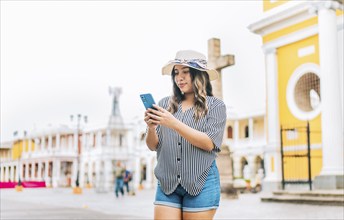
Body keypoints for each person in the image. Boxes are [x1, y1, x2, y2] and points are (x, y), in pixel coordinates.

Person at [144, 50, 227, 220]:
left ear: (199, 75)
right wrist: (151, 128)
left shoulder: (216, 106)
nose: (179, 78)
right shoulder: (163, 104)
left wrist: (173, 123)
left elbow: (209, 143)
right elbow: (153, 146)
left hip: (202, 182)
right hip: (167, 183)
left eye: (185, 72)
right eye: (176, 73)